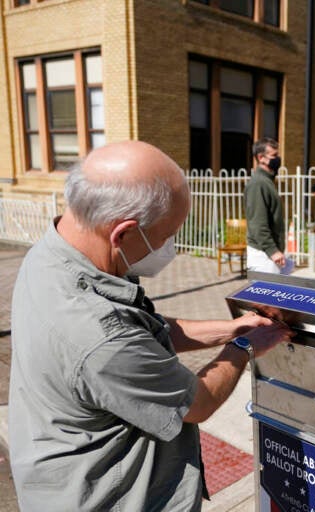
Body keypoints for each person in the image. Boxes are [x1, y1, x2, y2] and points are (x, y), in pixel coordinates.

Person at [8, 141, 294, 511]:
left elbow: (143, 334)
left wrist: (232, 328)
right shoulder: (97, 332)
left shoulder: (52, 253)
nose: (170, 248)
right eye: (166, 236)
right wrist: (244, 348)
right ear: (122, 233)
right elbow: (197, 403)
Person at [245, 137, 286, 274]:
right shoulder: (258, 184)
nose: (278, 159)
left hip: (269, 255)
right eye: (274, 155)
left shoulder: (266, 181)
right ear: (261, 157)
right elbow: (258, 223)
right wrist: (273, 251)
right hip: (264, 256)